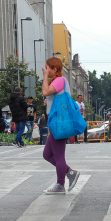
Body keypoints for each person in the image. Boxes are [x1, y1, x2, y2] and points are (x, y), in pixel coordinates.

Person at [41, 57, 80, 194]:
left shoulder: (59, 80)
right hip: (56, 122)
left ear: (54, 69)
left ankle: (60, 184)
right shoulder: (57, 81)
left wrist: (45, 77)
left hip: (59, 123)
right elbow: (50, 96)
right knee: (47, 154)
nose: (46, 70)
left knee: (58, 156)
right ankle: (70, 172)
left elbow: (45, 92)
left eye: (48, 68)